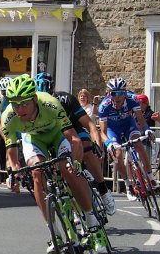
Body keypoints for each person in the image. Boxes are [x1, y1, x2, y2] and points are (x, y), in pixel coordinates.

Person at [2, 75, 100, 254]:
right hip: (34, 139)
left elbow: (74, 138)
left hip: (58, 135)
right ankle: (53, 231)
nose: (19, 109)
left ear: (34, 99)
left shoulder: (50, 103)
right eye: (15, 104)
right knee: (36, 174)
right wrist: (14, 175)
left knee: (67, 170)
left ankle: (91, 219)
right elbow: (12, 156)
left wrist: (75, 164)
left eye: (24, 103)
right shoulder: (8, 117)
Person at [33, 72, 116, 214]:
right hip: (54, 135)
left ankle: (102, 189)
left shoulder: (66, 99)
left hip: (74, 129)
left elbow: (90, 125)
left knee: (87, 150)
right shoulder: (32, 107)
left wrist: (98, 146)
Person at [98, 77, 156, 201]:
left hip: (128, 125)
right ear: (109, 94)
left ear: (125, 93)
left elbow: (140, 118)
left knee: (138, 144)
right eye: (114, 93)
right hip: (112, 130)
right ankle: (128, 186)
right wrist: (108, 143)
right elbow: (102, 132)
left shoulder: (133, 99)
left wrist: (147, 129)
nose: (117, 97)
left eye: (120, 93)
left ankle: (150, 177)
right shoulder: (104, 106)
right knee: (118, 155)